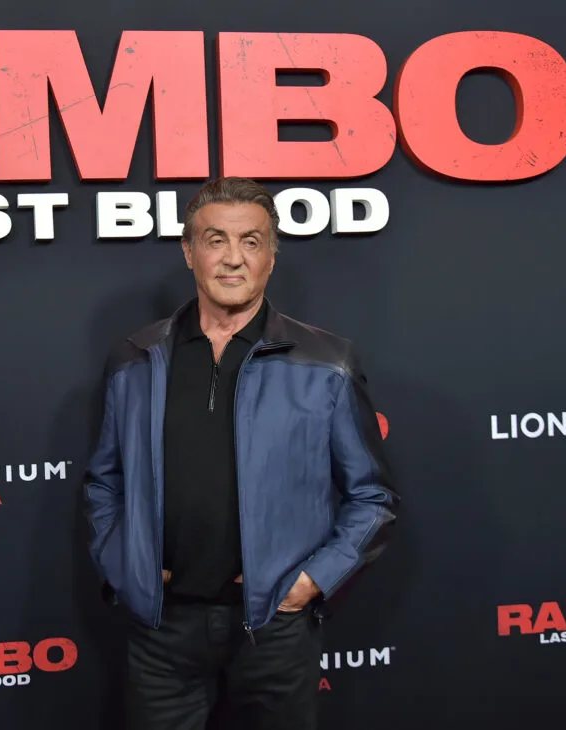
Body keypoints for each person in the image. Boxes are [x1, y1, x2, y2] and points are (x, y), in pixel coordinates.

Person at [83, 177, 399, 730]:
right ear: (189, 252)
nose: (233, 259)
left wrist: (311, 582)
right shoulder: (135, 359)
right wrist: (123, 567)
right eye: (215, 240)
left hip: (273, 631)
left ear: (271, 257)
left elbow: (372, 496)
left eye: (251, 242)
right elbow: (103, 482)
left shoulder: (326, 362)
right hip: (162, 632)